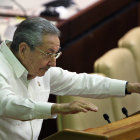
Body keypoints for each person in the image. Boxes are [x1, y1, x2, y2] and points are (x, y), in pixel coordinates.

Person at [0, 17, 140, 140]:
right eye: (48, 54)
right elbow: (9, 104)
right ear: (23, 49)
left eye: (56, 54)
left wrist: (129, 87)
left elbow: (82, 82)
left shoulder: (39, 69)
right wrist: (58, 108)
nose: (53, 63)